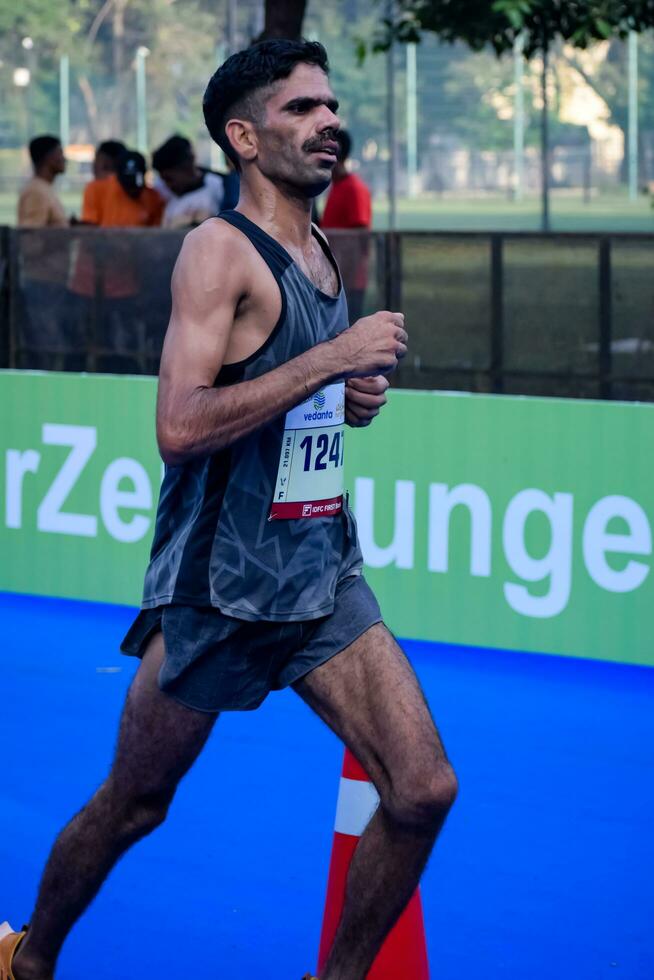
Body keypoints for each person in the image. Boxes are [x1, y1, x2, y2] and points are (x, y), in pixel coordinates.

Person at [0, 39, 457, 980]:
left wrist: (345, 400)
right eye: (301, 109)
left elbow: (288, 398)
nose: (329, 121)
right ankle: (29, 956)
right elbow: (179, 424)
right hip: (221, 586)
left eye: (330, 105)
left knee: (422, 790)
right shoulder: (217, 251)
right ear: (244, 138)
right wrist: (331, 362)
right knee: (136, 802)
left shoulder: (321, 243)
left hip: (321, 574)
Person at [321, 129, 372, 321]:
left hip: (349, 283)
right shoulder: (336, 187)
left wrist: (345, 280)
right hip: (337, 281)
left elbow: (359, 239)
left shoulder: (354, 189)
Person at [152, 133, 227, 227]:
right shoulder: (167, 194)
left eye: (169, 179)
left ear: (186, 167)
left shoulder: (217, 187)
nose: (168, 185)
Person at [81, 149, 164, 228]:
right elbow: (89, 228)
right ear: (117, 177)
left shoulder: (153, 198)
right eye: (127, 182)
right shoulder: (97, 189)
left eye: (136, 183)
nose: (132, 189)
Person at [17, 135, 67, 228]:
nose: (64, 159)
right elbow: (31, 234)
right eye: (60, 153)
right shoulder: (36, 192)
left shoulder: (44, 188)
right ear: (48, 158)